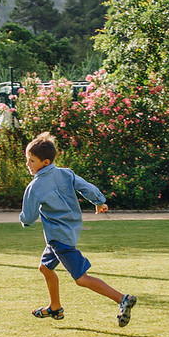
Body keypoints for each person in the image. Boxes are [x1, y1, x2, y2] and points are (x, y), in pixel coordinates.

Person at [20, 132, 137, 326]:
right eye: (27, 160)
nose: (28, 164)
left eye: (31, 161)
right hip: (69, 231)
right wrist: (99, 201)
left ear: (46, 162)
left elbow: (29, 217)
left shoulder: (35, 186)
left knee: (81, 279)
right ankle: (55, 308)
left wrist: (23, 220)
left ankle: (122, 299)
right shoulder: (66, 173)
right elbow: (86, 187)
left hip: (59, 239)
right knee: (45, 267)